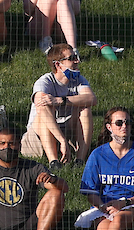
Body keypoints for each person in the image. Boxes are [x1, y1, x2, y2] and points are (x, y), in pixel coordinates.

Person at [23, 43, 97, 172]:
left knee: (85, 108)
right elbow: (40, 104)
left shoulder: (79, 79)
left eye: (76, 57)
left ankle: (80, 160)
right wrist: (62, 140)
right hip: (38, 137)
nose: (77, 61)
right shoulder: (45, 81)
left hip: (66, 131)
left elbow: (92, 99)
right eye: (71, 58)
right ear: (58, 64)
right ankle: (54, 162)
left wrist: (61, 100)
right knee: (45, 107)